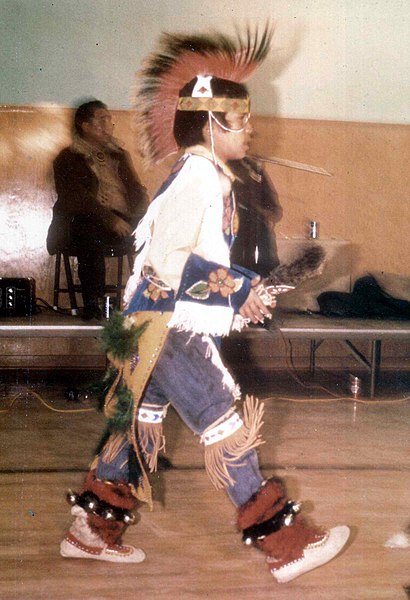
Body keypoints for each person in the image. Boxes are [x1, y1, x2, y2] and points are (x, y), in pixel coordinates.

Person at [60, 28, 350, 582]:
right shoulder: (197, 178)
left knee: (139, 429)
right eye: (242, 121)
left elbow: (182, 264)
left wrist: (241, 296)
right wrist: (241, 290)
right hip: (169, 327)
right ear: (212, 125)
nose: (251, 129)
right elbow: (170, 266)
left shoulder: (206, 176)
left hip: (154, 323)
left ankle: (88, 532)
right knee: (224, 421)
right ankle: (283, 545)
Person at [47, 100, 148, 320]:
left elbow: (136, 190)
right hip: (84, 223)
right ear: (85, 125)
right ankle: (93, 303)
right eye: (102, 119)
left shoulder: (119, 155)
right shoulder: (68, 158)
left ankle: (148, 302)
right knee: (88, 229)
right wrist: (110, 219)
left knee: (154, 232)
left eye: (109, 119)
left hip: (122, 221)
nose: (108, 124)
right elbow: (76, 198)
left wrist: (144, 217)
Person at [229, 156, 282, 277]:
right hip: (235, 244)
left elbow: (273, 208)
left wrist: (266, 213)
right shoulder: (218, 167)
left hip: (258, 235)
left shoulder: (253, 167)